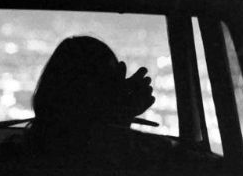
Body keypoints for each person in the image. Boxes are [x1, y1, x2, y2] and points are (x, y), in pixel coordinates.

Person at [26, 36, 156, 162]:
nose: (117, 87)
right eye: (111, 80)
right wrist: (121, 118)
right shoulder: (142, 156)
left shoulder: (20, 154)